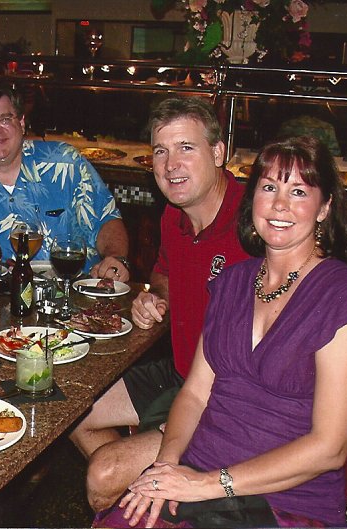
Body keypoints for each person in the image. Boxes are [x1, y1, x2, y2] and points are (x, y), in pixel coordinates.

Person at [95, 135, 347, 528]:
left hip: (283, 502)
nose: (280, 204)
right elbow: (196, 392)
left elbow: (330, 448)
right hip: (201, 471)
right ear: (254, 201)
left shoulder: (345, 300)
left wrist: (207, 485)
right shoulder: (232, 283)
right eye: (269, 187)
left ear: (325, 207)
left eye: (298, 191)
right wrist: (165, 464)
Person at [71, 97, 250, 511]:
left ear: (218, 153)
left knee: (104, 473)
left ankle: (139, 489)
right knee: (67, 411)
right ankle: (144, 502)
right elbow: (163, 275)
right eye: (161, 151)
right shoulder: (174, 215)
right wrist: (157, 300)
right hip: (180, 373)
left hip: (226, 399)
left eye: (186, 148)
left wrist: (188, 425)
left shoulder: (252, 224)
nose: (171, 164)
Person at [0, 82, 130, 281]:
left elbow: (107, 220)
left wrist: (115, 258)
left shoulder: (65, 162)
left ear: (21, 122)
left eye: (4, 119)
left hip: (73, 294)